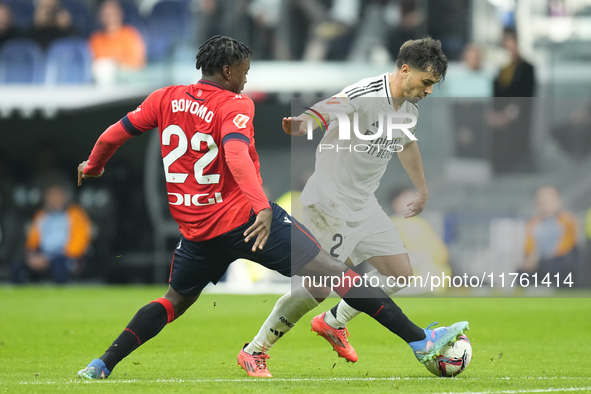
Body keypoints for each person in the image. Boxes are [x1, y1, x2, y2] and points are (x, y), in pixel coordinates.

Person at [75, 35, 468, 380]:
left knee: (172, 302)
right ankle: (419, 341)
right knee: (338, 276)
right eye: (244, 71)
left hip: (197, 231)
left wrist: (93, 164)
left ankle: (102, 363)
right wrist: (262, 206)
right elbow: (236, 154)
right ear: (228, 71)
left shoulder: (165, 98)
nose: (247, 78)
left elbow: (116, 132)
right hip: (248, 220)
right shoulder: (236, 104)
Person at [241, 37, 468, 373]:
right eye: (426, 82)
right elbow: (327, 109)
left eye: (433, 85)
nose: (429, 91)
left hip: (364, 205)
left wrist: (421, 189)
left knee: (400, 273)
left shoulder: (408, 108)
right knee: (318, 288)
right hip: (329, 203)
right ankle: (255, 350)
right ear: (405, 70)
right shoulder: (367, 93)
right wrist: (303, 123)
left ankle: (334, 321)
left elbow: (406, 145)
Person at [10, 183, 92, 284]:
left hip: (66, 255)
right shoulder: (41, 215)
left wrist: (52, 259)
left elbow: (80, 241)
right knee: (17, 266)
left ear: (64, 197)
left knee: (60, 266)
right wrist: (32, 255)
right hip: (44, 254)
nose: (54, 199)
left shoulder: (75, 213)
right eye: (51, 196)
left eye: (57, 195)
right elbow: (33, 239)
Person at [487, 27, 535, 174]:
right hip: (498, 116)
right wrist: (493, 114)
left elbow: (525, 97)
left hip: (517, 120)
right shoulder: (500, 69)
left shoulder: (527, 68)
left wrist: (508, 115)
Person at [520, 186, 579, 283]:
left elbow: (566, 246)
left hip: (560, 263)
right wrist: (531, 259)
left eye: (548, 202)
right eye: (541, 203)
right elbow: (529, 248)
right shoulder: (533, 223)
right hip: (540, 263)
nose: (545, 206)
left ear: (557, 201)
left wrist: (546, 257)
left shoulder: (567, 221)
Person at [88, 0, 146, 72]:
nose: (110, 17)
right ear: (100, 16)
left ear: (120, 13)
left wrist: (116, 64)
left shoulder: (130, 34)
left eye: (113, 12)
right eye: (106, 13)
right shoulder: (95, 39)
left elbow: (138, 63)